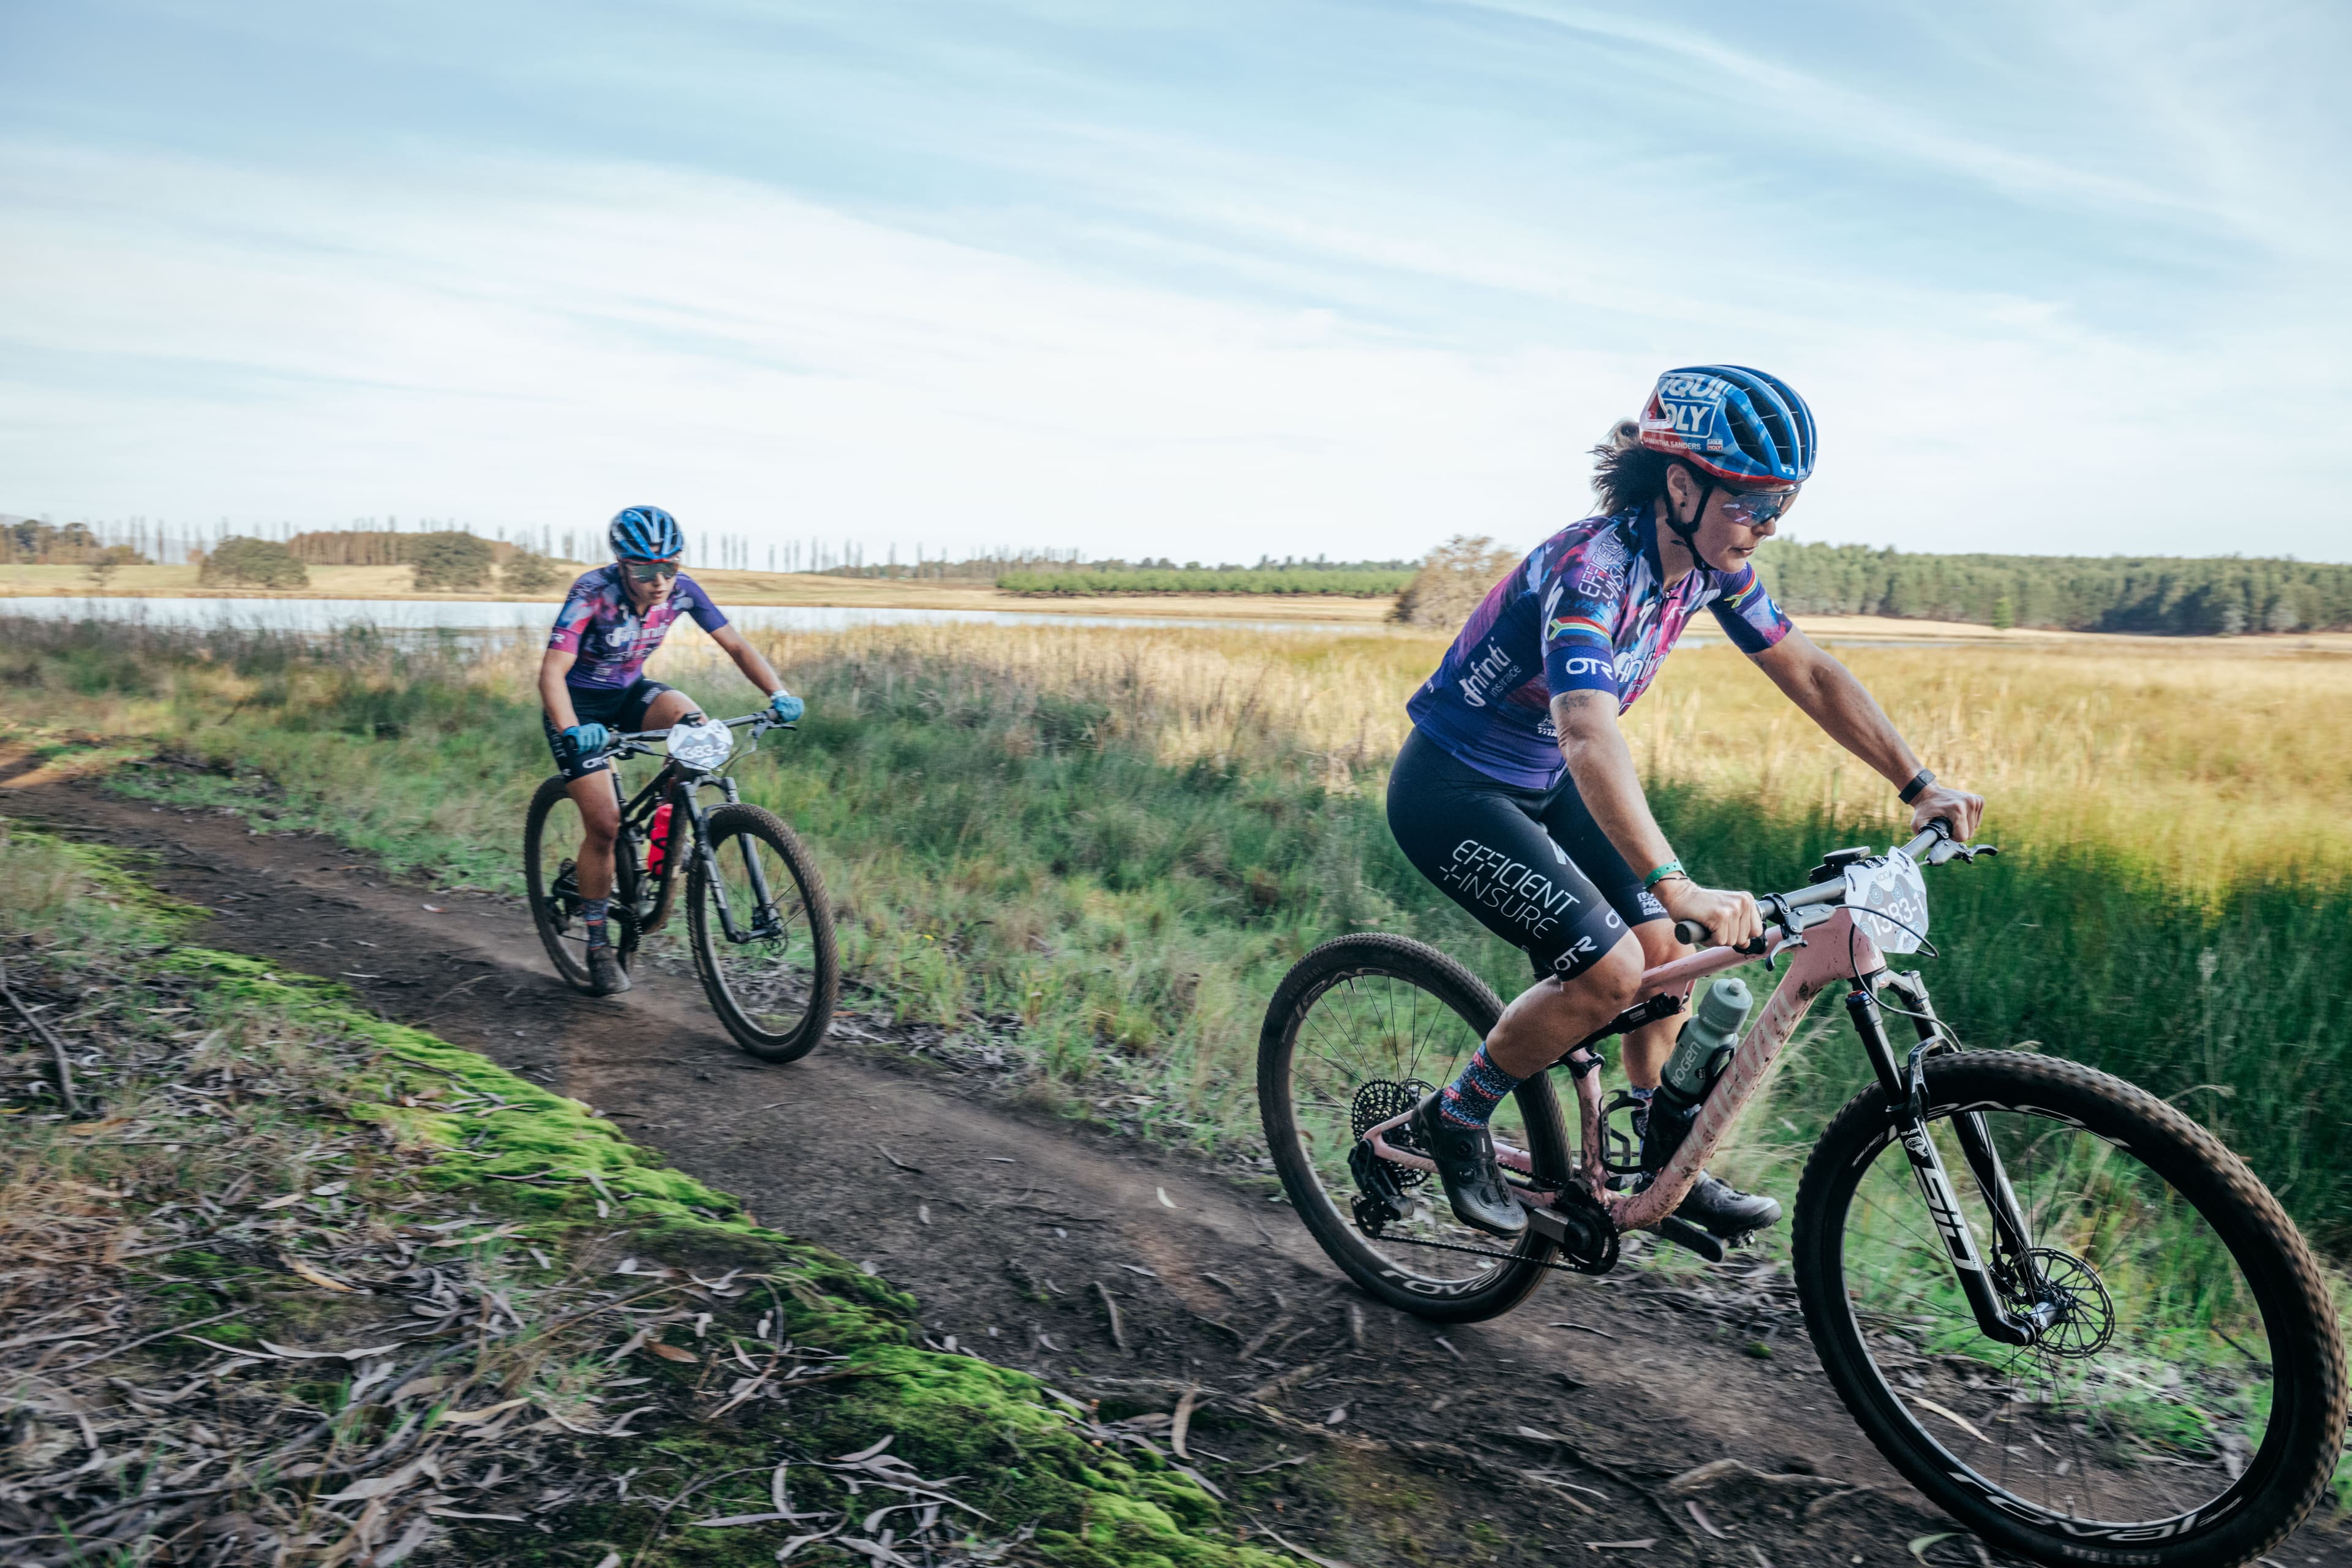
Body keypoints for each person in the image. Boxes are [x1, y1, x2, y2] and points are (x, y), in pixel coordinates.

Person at [1387, 366, 1984, 1240]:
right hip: (1453, 788)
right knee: (1609, 972)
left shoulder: (1708, 569)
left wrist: (1919, 783)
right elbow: (1587, 732)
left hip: (1547, 783)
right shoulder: (1591, 571)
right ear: (1680, 487)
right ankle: (1456, 1117)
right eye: (1753, 503)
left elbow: (1810, 672)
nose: (1769, 524)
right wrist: (1676, 882)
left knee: (1664, 956)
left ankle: (1660, 1158)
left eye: (1783, 503)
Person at [538, 506, 805, 996]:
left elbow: (737, 646)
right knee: (605, 824)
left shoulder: (683, 591)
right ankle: (597, 945)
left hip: (629, 694)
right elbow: (552, 672)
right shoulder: (591, 593)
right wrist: (572, 729)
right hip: (578, 710)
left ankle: (667, 831)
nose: (659, 581)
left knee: (697, 729)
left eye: (669, 567)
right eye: (644, 570)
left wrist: (778, 693)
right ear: (622, 564)